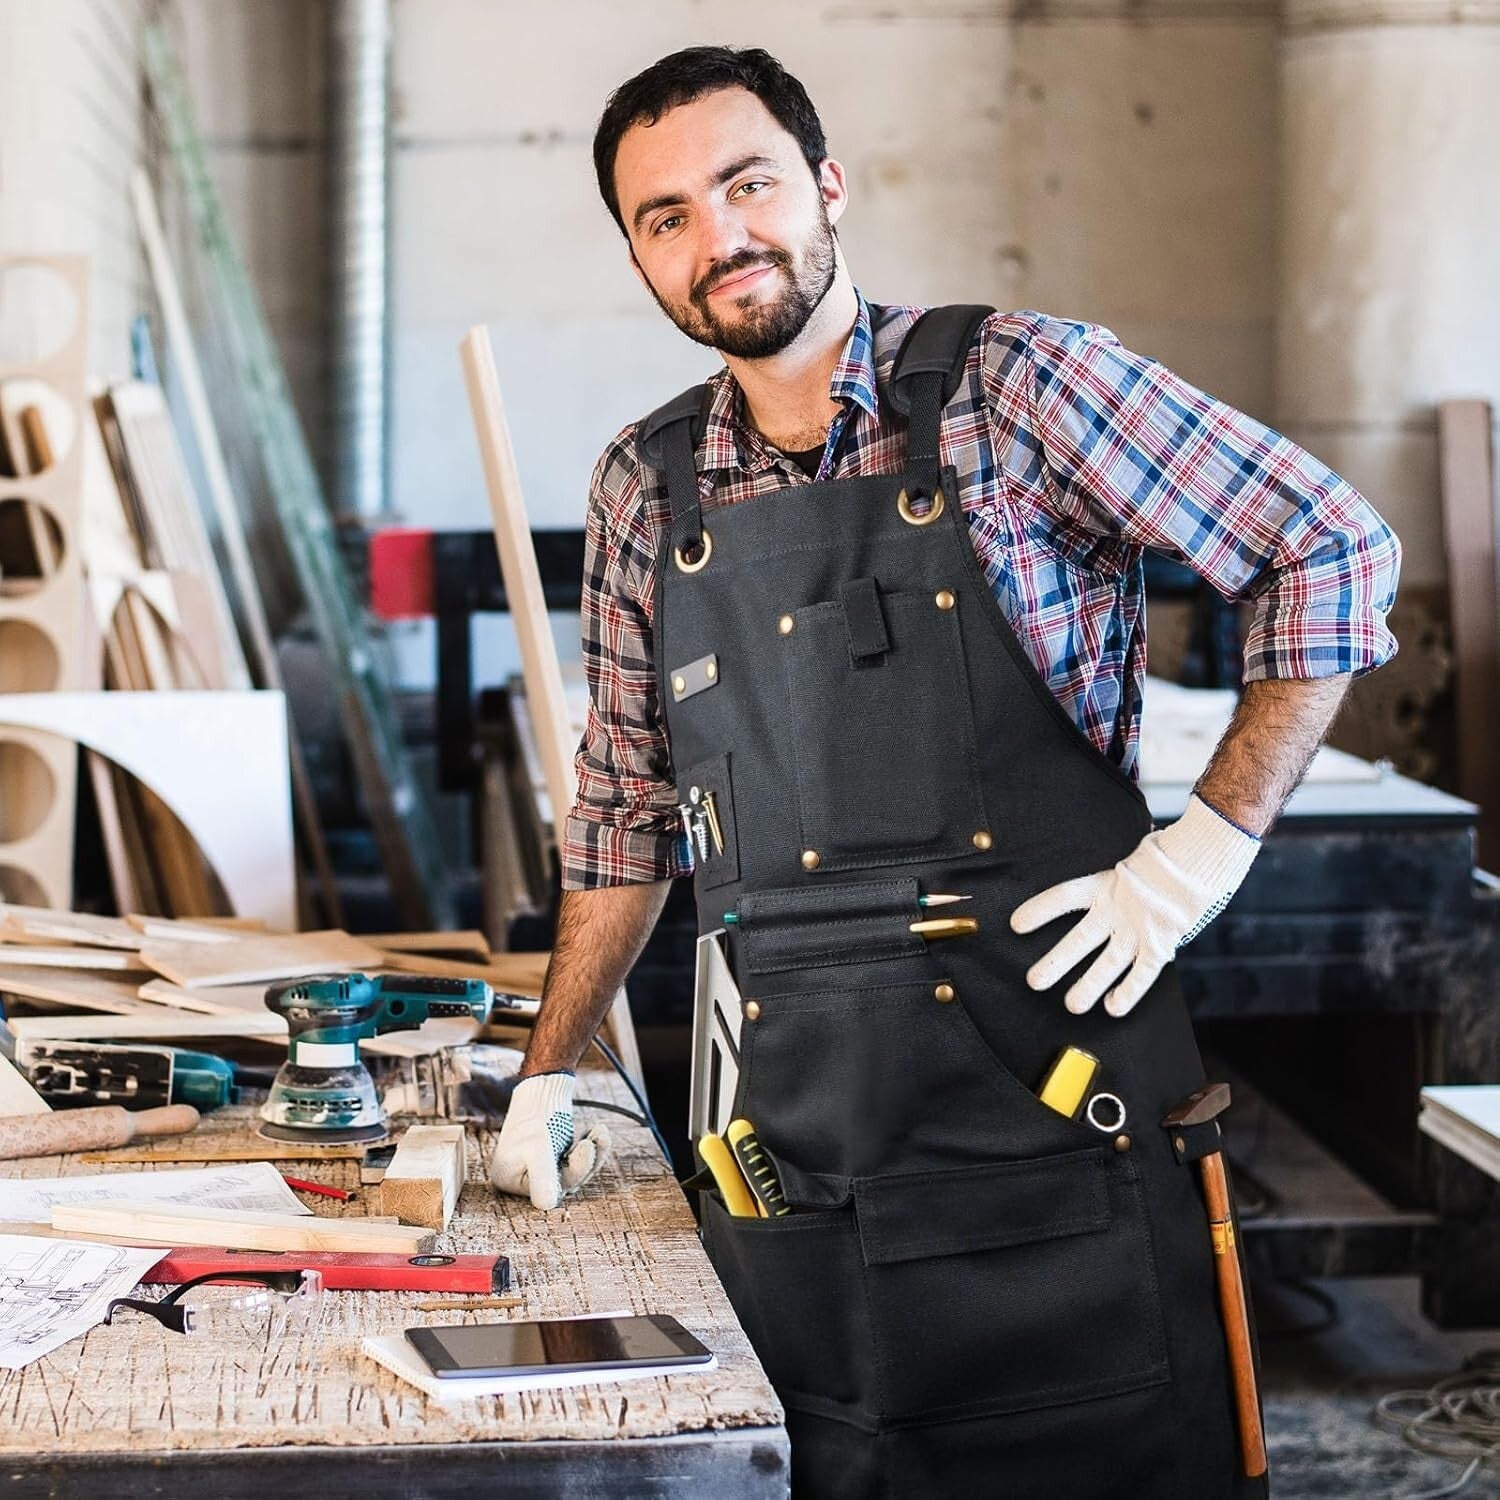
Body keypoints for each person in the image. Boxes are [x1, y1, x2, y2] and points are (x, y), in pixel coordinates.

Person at [489, 45, 1401, 1499]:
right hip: (799, 1129)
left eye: (747, 183)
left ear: (827, 186)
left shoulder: (1019, 384)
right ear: (639, 257)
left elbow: (1333, 548)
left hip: (1051, 1087)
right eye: (664, 216)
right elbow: (619, 815)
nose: (717, 236)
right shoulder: (640, 487)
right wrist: (551, 1076)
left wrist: (1201, 859)